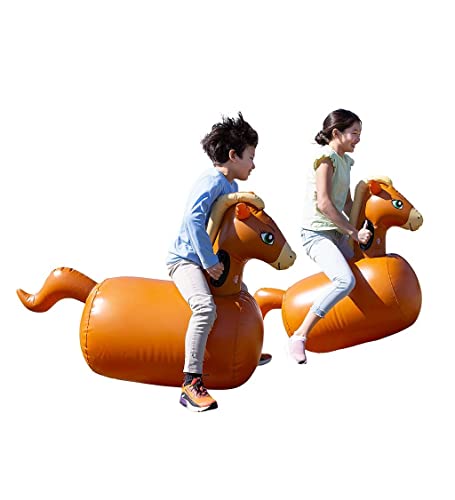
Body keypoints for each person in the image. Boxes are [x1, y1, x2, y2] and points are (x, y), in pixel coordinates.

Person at [166, 112, 258, 412]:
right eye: (250, 157)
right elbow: (193, 221)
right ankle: (190, 382)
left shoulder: (231, 187)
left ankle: (245, 347)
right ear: (233, 155)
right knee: (205, 308)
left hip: (211, 260)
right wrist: (207, 261)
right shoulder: (211, 181)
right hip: (186, 261)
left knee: (241, 296)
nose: (253, 165)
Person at [289, 109, 372, 364]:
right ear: (336, 133)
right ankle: (300, 335)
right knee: (345, 281)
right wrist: (354, 232)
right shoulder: (325, 159)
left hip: (337, 232)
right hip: (316, 234)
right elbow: (324, 204)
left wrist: (365, 223)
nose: (358, 138)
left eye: (360, 133)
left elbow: (347, 203)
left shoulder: (346, 162)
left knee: (363, 269)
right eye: (354, 133)